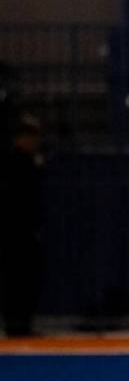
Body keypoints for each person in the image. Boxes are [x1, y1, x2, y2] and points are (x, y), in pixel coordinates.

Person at [1, 114, 44, 337]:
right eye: (31, 137)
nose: (35, 142)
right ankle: (15, 324)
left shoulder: (29, 161)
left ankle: (22, 323)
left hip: (25, 231)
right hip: (14, 233)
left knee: (26, 280)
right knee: (15, 279)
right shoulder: (13, 162)